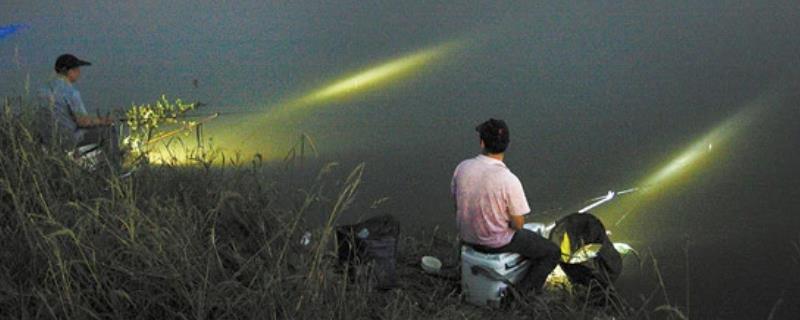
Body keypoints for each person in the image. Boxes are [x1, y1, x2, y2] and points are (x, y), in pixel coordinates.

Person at [451, 118, 560, 296]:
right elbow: (517, 224)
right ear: (507, 145)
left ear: (482, 142)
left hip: (467, 237)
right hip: (496, 243)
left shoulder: (462, 168)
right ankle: (522, 295)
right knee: (551, 252)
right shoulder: (508, 179)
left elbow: (457, 204)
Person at [38, 54, 119, 166]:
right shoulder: (70, 92)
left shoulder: (43, 90)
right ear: (70, 71)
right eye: (77, 69)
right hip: (68, 139)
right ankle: (112, 170)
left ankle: (84, 163)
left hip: (48, 140)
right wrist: (104, 121)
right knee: (109, 131)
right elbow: (83, 121)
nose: (79, 73)